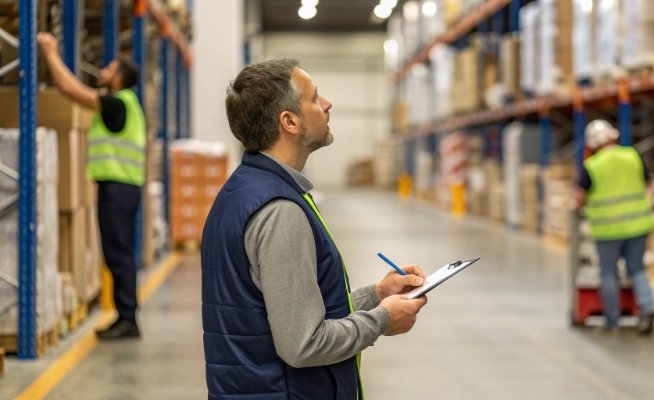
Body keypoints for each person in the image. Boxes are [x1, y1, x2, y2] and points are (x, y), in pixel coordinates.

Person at [201, 59, 428, 399]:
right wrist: (382, 319)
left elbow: (286, 309)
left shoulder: (244, 191)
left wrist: (375, 296)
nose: (327, 104)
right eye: (314, 98)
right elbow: (303, 344)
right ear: (289, 121)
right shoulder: (278, 211)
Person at [38, 33, 146, 340]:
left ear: (120, 77)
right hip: (120, 187)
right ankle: (125, 315)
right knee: (117, 253)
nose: (104, 71)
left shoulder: (117, 104)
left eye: (110, 68)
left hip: (119, 187)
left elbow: (70, 89)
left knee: (119, 253)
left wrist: (50, 52)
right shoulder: (124, 104)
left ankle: (128, 319)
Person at [574, 120, 654, 335]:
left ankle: (612, 320)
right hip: (638, 225)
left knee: (609, 273)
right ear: (613, 137)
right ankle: (647, 307)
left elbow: (579, 198)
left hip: (608, 230)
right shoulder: (632, 156)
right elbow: (648, 186)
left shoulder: (593, 165)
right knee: (637, 268)